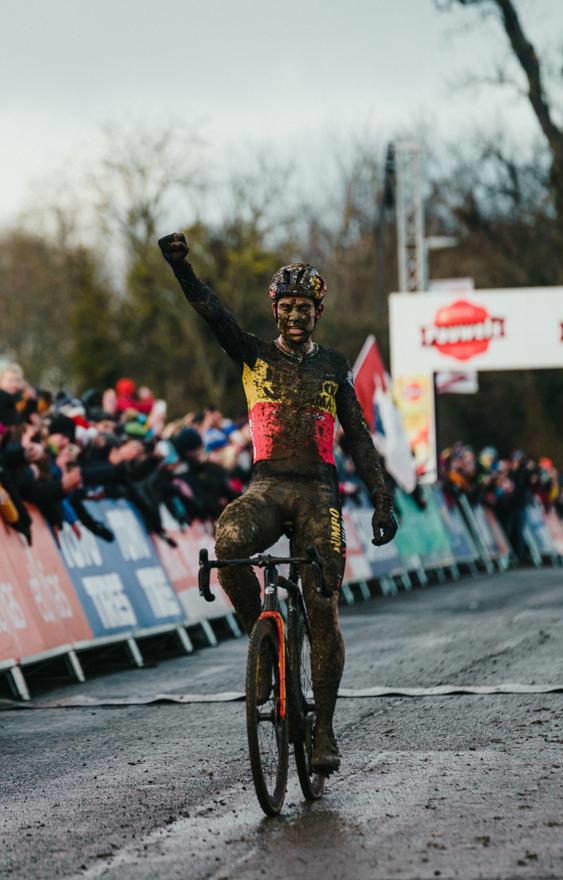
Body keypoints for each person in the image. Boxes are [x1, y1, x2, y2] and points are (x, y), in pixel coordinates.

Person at [158, 231, 397, 774]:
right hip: (267, 487)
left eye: (304, 308)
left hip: (319, 493)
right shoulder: (253, 353)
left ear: (318, 312)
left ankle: (325, 732)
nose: (295, 316)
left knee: (321, 607)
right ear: (275, 310)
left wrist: (381, 499)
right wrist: (182, 269)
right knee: (229, 542)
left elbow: (358, 439)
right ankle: (263, 647)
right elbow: (211, 312)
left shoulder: (335, 366)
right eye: (287, 307)